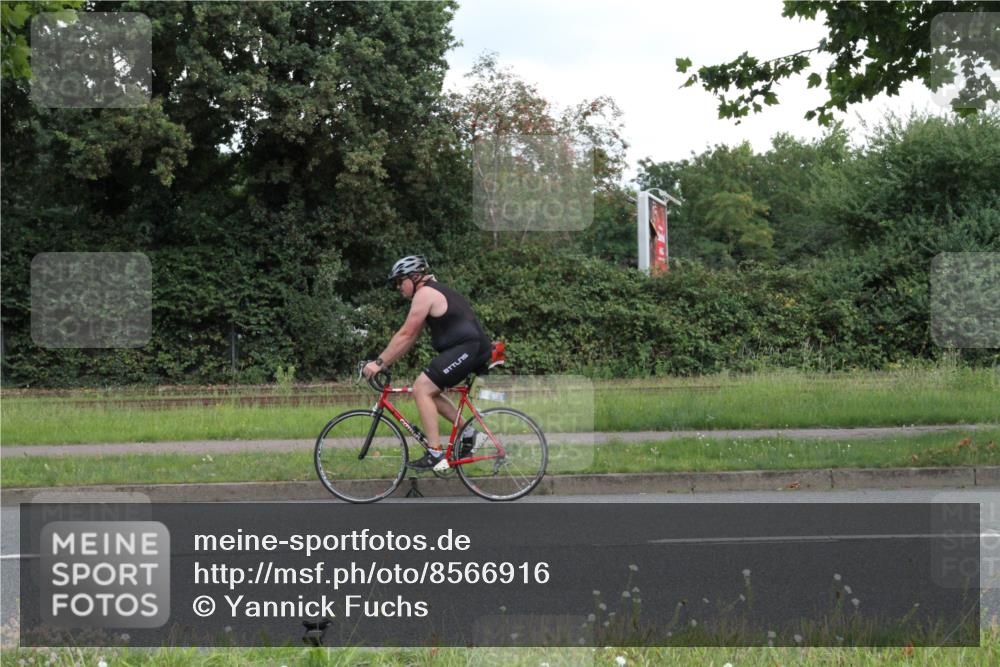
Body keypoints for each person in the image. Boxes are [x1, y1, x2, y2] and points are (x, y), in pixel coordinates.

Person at [362, 255, 491, 471]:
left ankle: (435, 453)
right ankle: (470, 435)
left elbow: (405, 334)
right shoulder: (432, 291)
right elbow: (410, 338)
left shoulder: (425, 294)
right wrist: (383, 362)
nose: (398, 287)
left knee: (422, 388)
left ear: (413, 278)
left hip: (468, 348)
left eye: (399, 281)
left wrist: (378, 363)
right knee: (430, 391)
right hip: (469, 347)